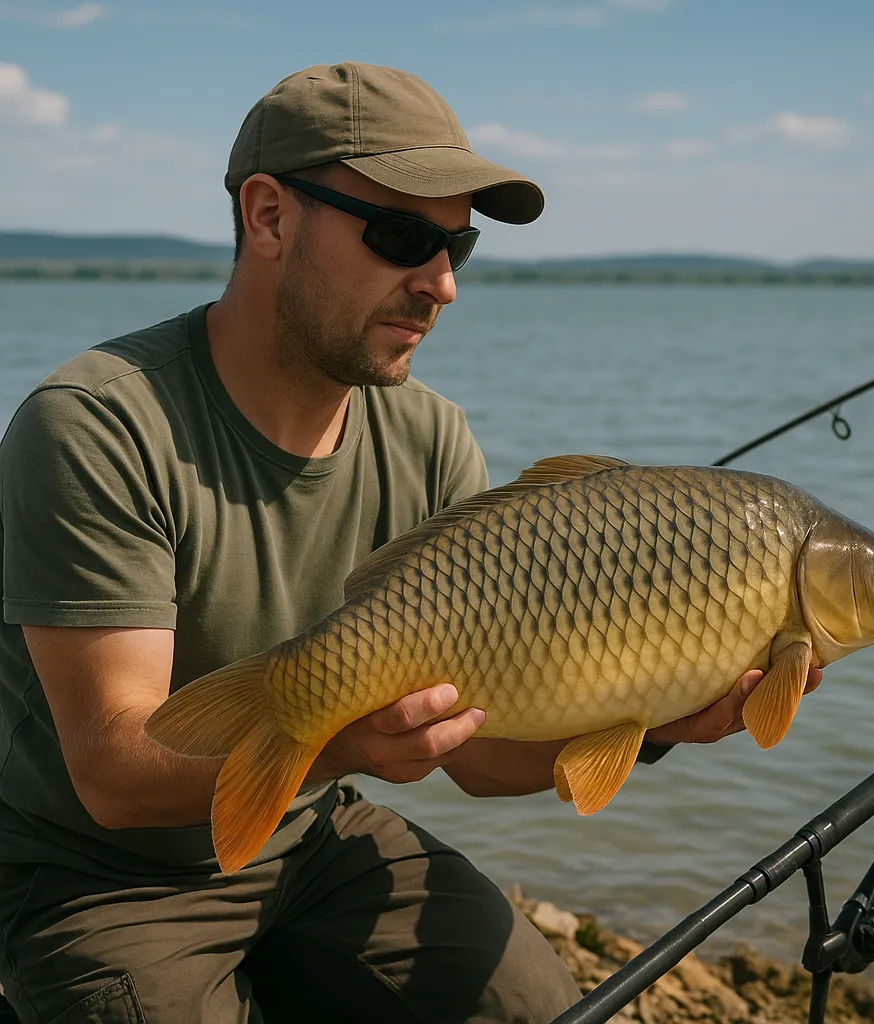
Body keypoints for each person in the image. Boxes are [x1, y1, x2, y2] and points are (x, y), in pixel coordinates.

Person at [0, 61, 821, 1023]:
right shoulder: (96, 425)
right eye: (401, 237)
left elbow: (481, 756)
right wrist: (338, 741)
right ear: (267, 218)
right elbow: (111, 774)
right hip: (96, 878)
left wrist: (654, 726)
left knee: (530, 1004)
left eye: (457, 248)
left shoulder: (430, 437)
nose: (439, 286)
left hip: (309, 840)